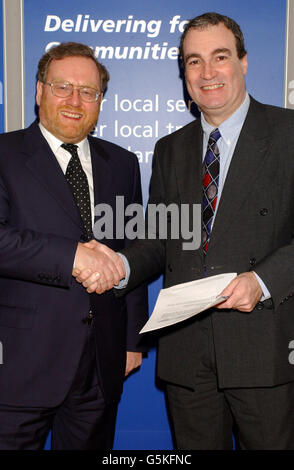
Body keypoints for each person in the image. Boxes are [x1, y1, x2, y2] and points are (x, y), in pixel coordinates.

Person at [76, 13, 294, 450]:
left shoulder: (289, 134)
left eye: (220, 57)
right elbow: (160, 238)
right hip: (187, 359)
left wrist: (263, 280)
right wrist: (119, 263)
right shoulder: (170, 148)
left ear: (244, 62)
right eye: (194, 61)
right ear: (184, 72)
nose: (208, 73)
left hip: (264, 353)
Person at [0, 42, 147, 450]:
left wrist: (132, 338)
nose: (75, 101)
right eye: (63, 87)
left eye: (88, 92)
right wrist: (71, 256)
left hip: (99, 367)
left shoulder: (122, 163)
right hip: (18, 364)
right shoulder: (4, 154)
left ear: (100, 101)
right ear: (39, 91)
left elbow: (131, 249)